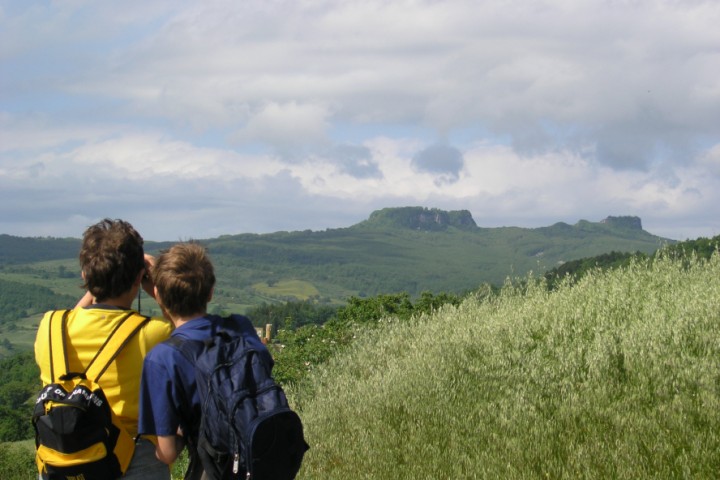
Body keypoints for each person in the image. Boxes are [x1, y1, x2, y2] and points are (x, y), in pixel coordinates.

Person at [34, 218, 174, 479]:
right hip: (132, 458)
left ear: (85, 275)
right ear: (138, 277)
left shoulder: (49, 327)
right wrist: (157, 288)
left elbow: (69, 321)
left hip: (62, 458)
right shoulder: (152, 333)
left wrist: (94, 284)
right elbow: (192, 335)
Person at [138, 242, 274, 479]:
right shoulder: (240, 327)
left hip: (213, 470)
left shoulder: (162, 359)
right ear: (211, 291)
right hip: (259, 462)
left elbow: (167, 453)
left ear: (157, 294)